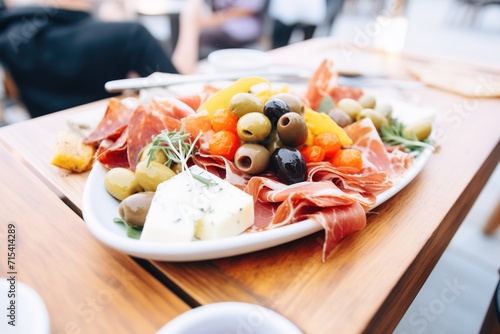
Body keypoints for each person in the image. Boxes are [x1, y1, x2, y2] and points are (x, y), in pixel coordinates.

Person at [0, 0, 200, 118]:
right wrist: (191, 23)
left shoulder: (10, 38)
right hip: (109, 150)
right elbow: (180, 90)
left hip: (42, 151)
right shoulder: (130, 36)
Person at [185, 0, 267, 59]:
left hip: (241, 28)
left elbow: (247, 10)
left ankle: (193, 67)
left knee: (203, 35)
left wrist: (218, 19)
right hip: (223, 25)